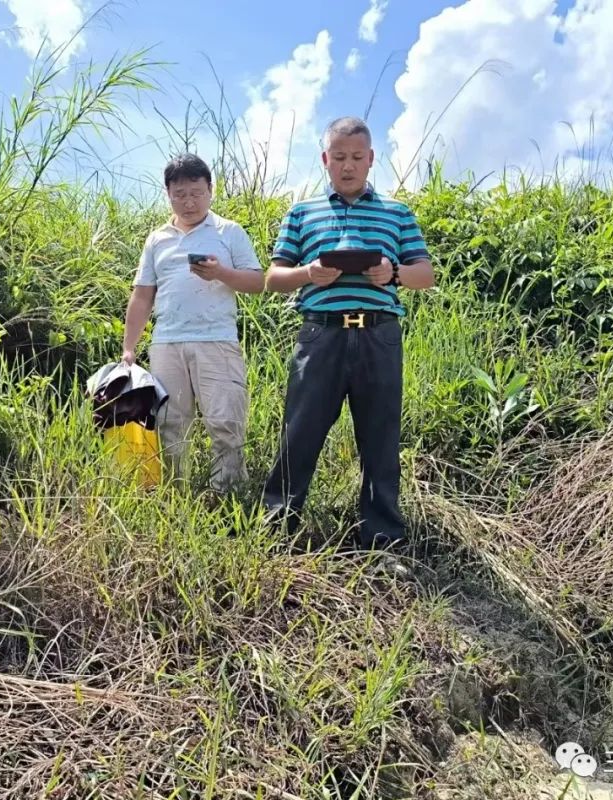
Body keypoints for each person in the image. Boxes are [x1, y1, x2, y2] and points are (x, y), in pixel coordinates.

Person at [262, 116, 434, 550]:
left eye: (357, 157)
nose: (348, 165)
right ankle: (276, 529)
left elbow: (425, 274)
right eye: (339, 157)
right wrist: (310, 272)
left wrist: (393, 272)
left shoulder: (397, 213)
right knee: (299, 432)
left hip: (379, 336)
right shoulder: (302, 213)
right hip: (321, 336)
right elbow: (273, 277)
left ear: (371, 159)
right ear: (325, 159)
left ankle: (383, 540)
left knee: (380, 438)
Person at [122, 153, 264, 493]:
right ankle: (177, 495)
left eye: (196, 193)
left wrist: (221, 273)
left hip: (217, 339)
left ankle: (228, 493)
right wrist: (129, 348)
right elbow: (142, 296)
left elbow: (257, 283)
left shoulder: (229, 232)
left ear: (211, 190)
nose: (189, 202)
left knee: (226, 421)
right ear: (168, 194)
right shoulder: (157, 239)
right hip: (167, 343)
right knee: (170, 423)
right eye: (180, 194)